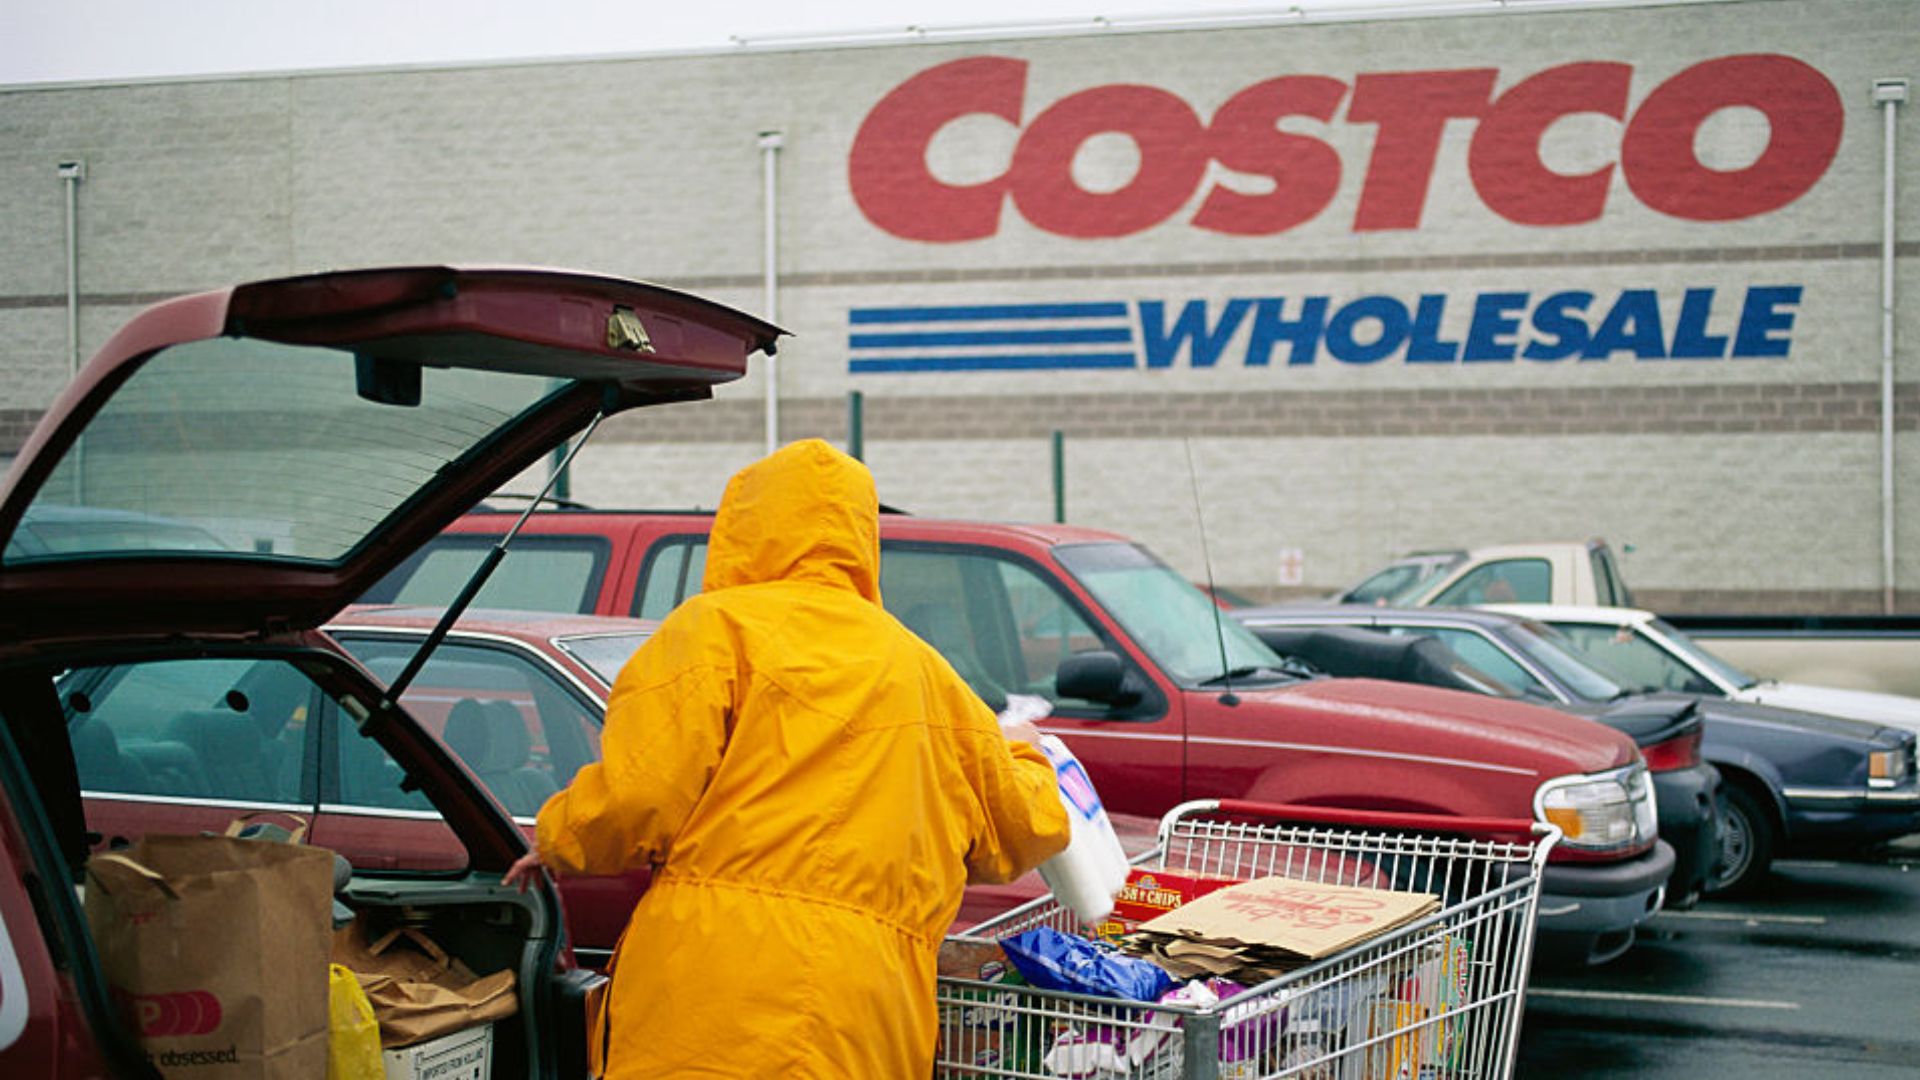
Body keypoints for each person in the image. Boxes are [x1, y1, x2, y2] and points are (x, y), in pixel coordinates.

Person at [503, 438, 1069, 1077]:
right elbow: (1017, 835)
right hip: (872, 1008)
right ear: (864, 541)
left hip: (718, 993)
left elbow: (639, 794)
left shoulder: (713, 631)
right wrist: (1027, 756)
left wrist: (559, 837)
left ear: (744, 527)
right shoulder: (925, 672)